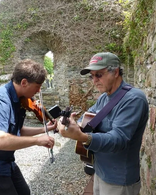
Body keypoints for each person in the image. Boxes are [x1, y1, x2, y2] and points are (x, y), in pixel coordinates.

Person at [57, 52, 149, 195]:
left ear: (116, 72)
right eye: (91, 76)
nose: (94, 80)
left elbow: (119, 139)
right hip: (100, 171)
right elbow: (88, 118)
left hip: (119, 180)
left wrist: (83, 137)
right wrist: (74, 123)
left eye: (99, 75)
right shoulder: (104, 98)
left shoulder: (134, 99)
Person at [0, 59, 58, 195]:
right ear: (24, 82)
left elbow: (17, 131)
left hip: (6, 163)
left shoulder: (19, 99)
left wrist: (46, 129)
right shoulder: (0, 99)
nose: (39, 91)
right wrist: (37, 141)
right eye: (38, 86)